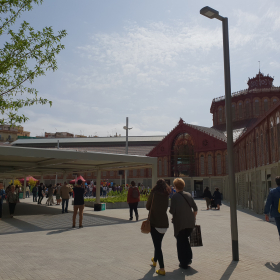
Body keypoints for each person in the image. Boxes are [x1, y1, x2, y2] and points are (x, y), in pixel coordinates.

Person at [170, 178, 198, 269]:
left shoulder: (174, 197)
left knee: (180, 242)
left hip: (180, 223)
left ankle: (183, 262)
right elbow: (195, 209)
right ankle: (188, 259)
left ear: (175, 187)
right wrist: (193, 217)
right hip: (190, 223)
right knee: (185, 240)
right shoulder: (188, 195)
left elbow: (172, 211)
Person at [146, 179, 171, 276]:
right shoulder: (167, 194)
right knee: (158, 243)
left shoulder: (154, 193)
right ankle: (155, 260)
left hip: (155, 222)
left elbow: (148, 207)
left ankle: (162, 268)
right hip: (164, 223)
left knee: (157, 246)